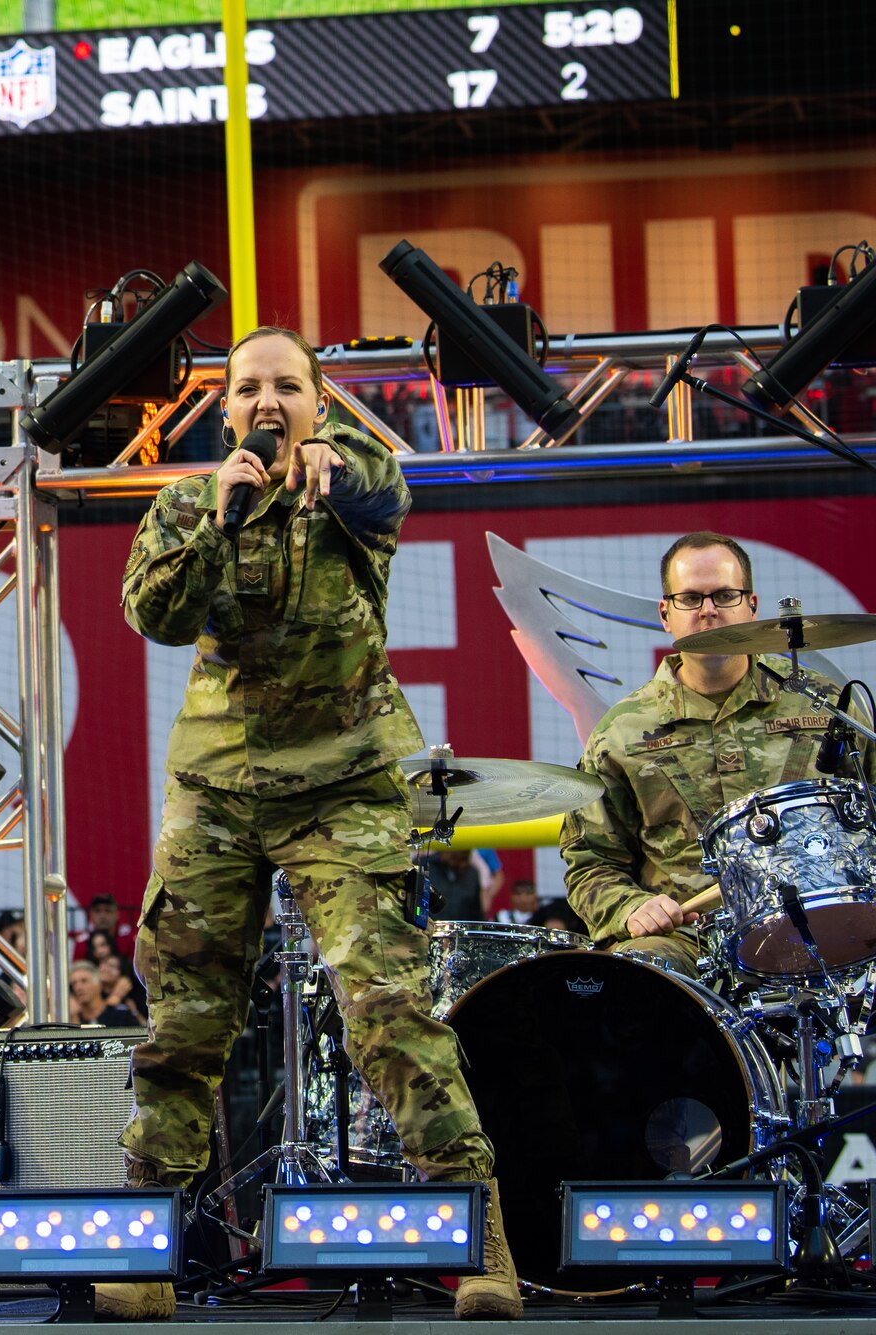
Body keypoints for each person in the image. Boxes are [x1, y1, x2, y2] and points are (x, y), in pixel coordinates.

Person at [110, 326, 516, 1320]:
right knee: (185, 1022)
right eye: (246, 386)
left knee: (386, 1014)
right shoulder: (183, 502)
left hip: (345, 784)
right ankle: (144, 1244)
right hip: (216, 788)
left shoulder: (353, 483)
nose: (265, 401)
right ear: (222, 406)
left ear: (315, 400)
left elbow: (388, 491)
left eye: (285, 386)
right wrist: (219, 518)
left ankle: (482, 1241)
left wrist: (342, 467)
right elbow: (151, 616)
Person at [562, 532, 848, 978]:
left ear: (752, 605)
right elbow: (590, 862)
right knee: (633, 976)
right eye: (690, 598)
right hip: (688, 941)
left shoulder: (824, 707)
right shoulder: (621, 733)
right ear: (665, 613)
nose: (709, 610)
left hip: (818, 920)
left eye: (724, 595)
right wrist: (632, 907)